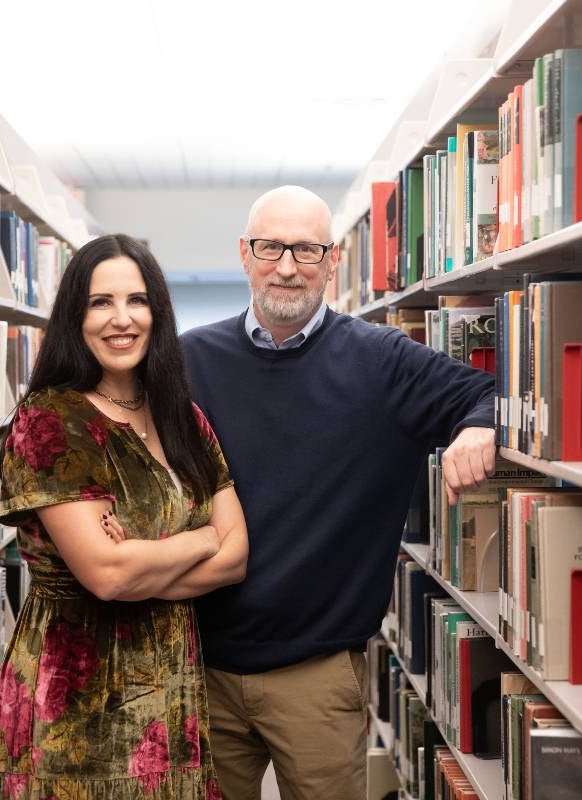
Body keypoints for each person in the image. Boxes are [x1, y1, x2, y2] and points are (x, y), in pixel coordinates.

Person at [180, 185, 497, 800]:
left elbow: (487, 392)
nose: (288, 266)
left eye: (306, 249)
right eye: (272, 247)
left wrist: (479, 427)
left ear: (332, 261)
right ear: (245, 254)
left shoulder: (383, 361)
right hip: (199, 669)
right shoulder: (189, 360)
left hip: (318, 676)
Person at [0, 233, 248, 800]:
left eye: (136, 300)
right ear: (73, 318)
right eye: (100, 302)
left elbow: (236, 558)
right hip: (75, 705)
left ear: (157, 312)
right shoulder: (51, 420)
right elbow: (106, 575)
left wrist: (139, 564)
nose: (121, 319)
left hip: (171, 695)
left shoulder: (183, 417)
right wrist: (202, 536)